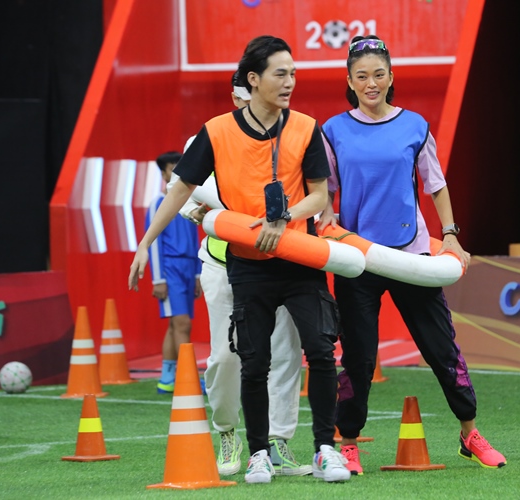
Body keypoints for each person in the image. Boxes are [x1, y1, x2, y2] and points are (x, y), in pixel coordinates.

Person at [129, 36, 350, 484]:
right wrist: (145, 243)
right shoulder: (215, 132)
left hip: (298, 258)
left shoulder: (306, 127)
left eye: (293, 74)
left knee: (319, 351)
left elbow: (320, 196)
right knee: (250, 361)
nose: (289, 82)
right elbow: (181, 189)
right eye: (280, 74)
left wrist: (284, 217)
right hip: (243, 264)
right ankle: (256, 451)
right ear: (253, 79)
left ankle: (325, 448)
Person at [319, 35, 507, 474]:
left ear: (391, 77)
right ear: (349, 80)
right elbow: (325, 189)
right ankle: (349, 444)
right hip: (357, 259)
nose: (371, 83)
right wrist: (327, 219)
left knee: (442, 348)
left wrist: (451, 235)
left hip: (413, 255)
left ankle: (470, 433)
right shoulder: (333, 130)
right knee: (358, 358)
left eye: (378, 75)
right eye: (362, 76)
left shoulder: (415, 126)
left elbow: (435, 184)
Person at [173, 73, 311, 477]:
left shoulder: (293, 137)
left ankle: (278, 442)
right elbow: (182, 193)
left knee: (285, 353)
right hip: (223, 265)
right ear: (239, 97)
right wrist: (200, 212)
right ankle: (228, 431)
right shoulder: (210, 137)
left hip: (282, 261)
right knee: (225, 356)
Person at [145, 151, 202, 394]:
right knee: (182, 324)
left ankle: (167, 379)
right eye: (172, 168)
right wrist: (158, 279)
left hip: (188, 269)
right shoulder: (158, 204)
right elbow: (152, 244)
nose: (178, 171)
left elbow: (196, 239)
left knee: (175, 325)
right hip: (170, 270)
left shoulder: (189, 203)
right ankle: (189, 379)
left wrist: (198, 274)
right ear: (163, 173)